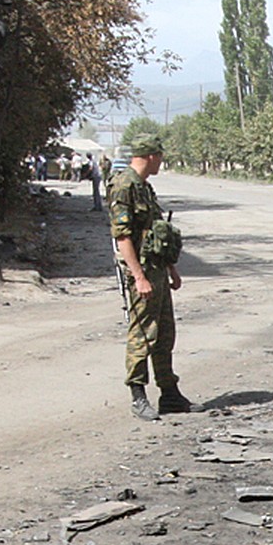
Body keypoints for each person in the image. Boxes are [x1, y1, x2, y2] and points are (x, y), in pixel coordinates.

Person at [108, 133, 192, 421]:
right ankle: (138, 395)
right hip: (141, 273)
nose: (162, 160)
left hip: (156, 269)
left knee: (165, 333)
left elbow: (156, 233)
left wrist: (171, 268)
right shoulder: (124, 186)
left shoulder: (145, 187)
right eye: (160, 155)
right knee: (143, 333)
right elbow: (123, 238)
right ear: (150, 155)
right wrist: (139, 276)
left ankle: (169, 393)